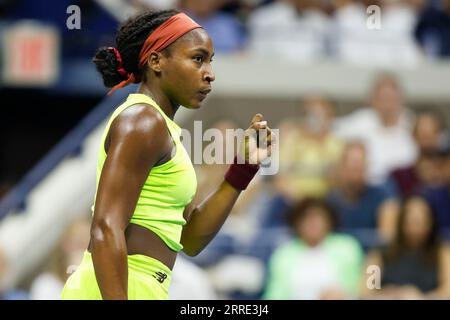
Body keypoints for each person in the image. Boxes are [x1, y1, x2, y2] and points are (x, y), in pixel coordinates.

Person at [61, 9, 273, 300]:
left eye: (210, 61)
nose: (210, 73)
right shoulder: (143, 121)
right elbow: (105, 226)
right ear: (156, 61)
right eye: (198, 58)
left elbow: (191, 239)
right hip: (117, 285)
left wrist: (244, 168)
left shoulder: (161, 128)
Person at [263, 198, 364, 300]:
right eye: (305, 218)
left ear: (329, 221)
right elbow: (274, 294)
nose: (312, 222)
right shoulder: (283, 254)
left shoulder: (347, 247)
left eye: (318, 217)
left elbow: (359, 288)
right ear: (297, 223)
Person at [361, 195, 450, 299]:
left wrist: (422, 297)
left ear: (431, 222)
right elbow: (366, 289)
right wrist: (390, 293)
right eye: (411, 221)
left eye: (421, 221)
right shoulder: (380, 252)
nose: (416, 227)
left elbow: (447, 289)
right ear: (401, 221)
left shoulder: (442, 252)